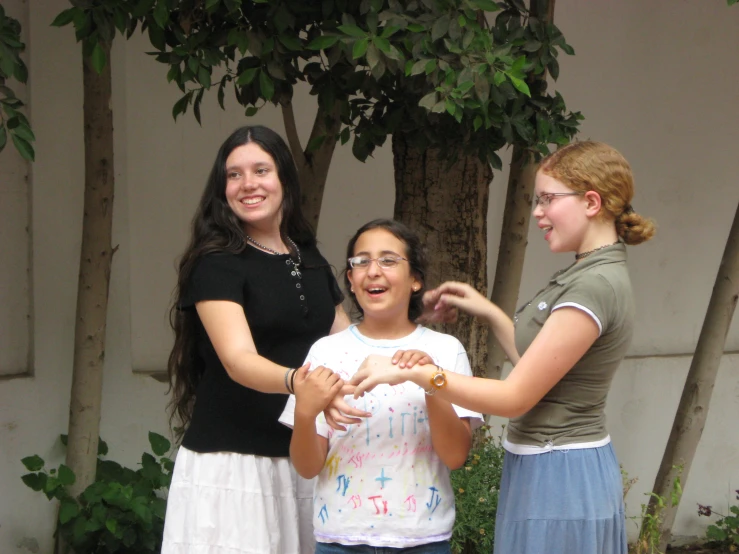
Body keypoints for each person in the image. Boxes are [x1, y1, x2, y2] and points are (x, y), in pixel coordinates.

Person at [349, 141, 656, 554]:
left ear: (591, 202)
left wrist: (416, 373)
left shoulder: (594, 285)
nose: (538, 213)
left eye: (548, 199)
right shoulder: (588, 272)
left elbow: (515, 397)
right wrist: (489, 312)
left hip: (561, 472)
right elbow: (538, 366)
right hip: (548, 466)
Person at [161, 125, 355, 554]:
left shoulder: (309, 258)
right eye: (234, 175)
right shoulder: (216, 263)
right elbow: (238, 360)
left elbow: (348, 345)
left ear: (284, 177)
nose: (248, 184)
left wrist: (404, 325)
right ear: (222, 187)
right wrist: (301, 384)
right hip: (235, 467)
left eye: (261, 170)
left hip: (304, 458)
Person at [278, 218, 484, 554]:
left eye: (388, 260)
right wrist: (305, 410)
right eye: (361, 261)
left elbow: (455, 455)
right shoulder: (325, 352)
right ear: (350, 279)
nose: (373, 270)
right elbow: (306, 466)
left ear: (415, 279)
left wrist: (429, 379)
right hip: (340, 541)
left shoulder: (445, 352)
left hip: (422, 539)